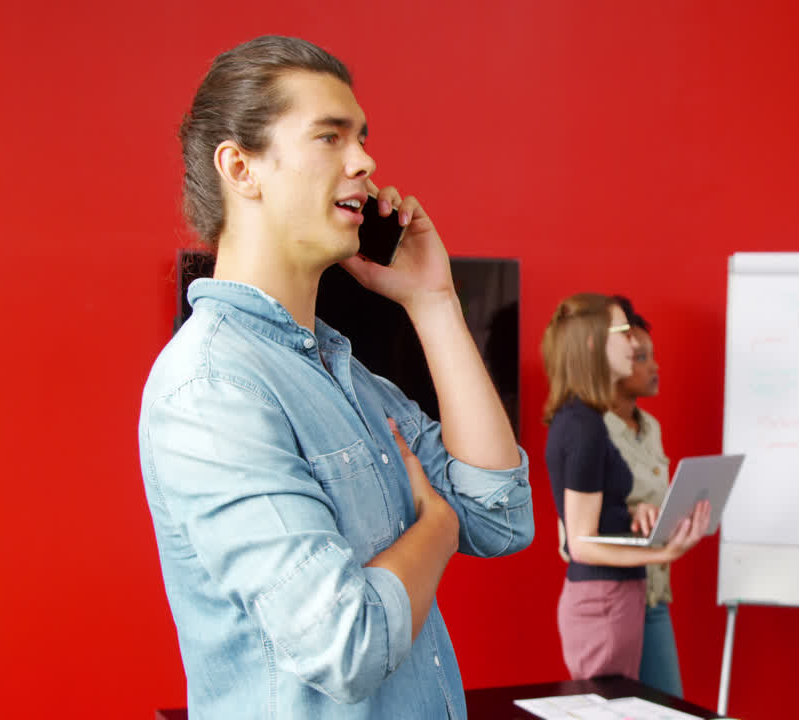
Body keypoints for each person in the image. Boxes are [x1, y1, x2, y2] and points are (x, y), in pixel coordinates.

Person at [138, 36, 533, 719]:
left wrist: (434, 304)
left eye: (363, 138)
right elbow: (344, 643)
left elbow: (500, 517)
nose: (366, 161)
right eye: (330, 136)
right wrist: (433, 532)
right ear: (241, 168)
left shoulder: (347, 376)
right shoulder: (211, 388)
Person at [541, 293, 710, 681]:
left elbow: (590, 519)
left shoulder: (585, 420)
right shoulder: (583, 425)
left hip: (618, 598)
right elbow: (578, 543)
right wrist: (661, 553)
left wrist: (634, 514)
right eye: (623, 333)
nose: (633, 343)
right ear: (591, 343)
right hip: (604, 601)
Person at [603, 297, 683, 697]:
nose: (654, 367)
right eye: (640, 357)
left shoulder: (650, 426)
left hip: (655, 590)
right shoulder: (591, 430)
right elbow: (578, 533)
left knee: (669, 704)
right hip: (617, 595)